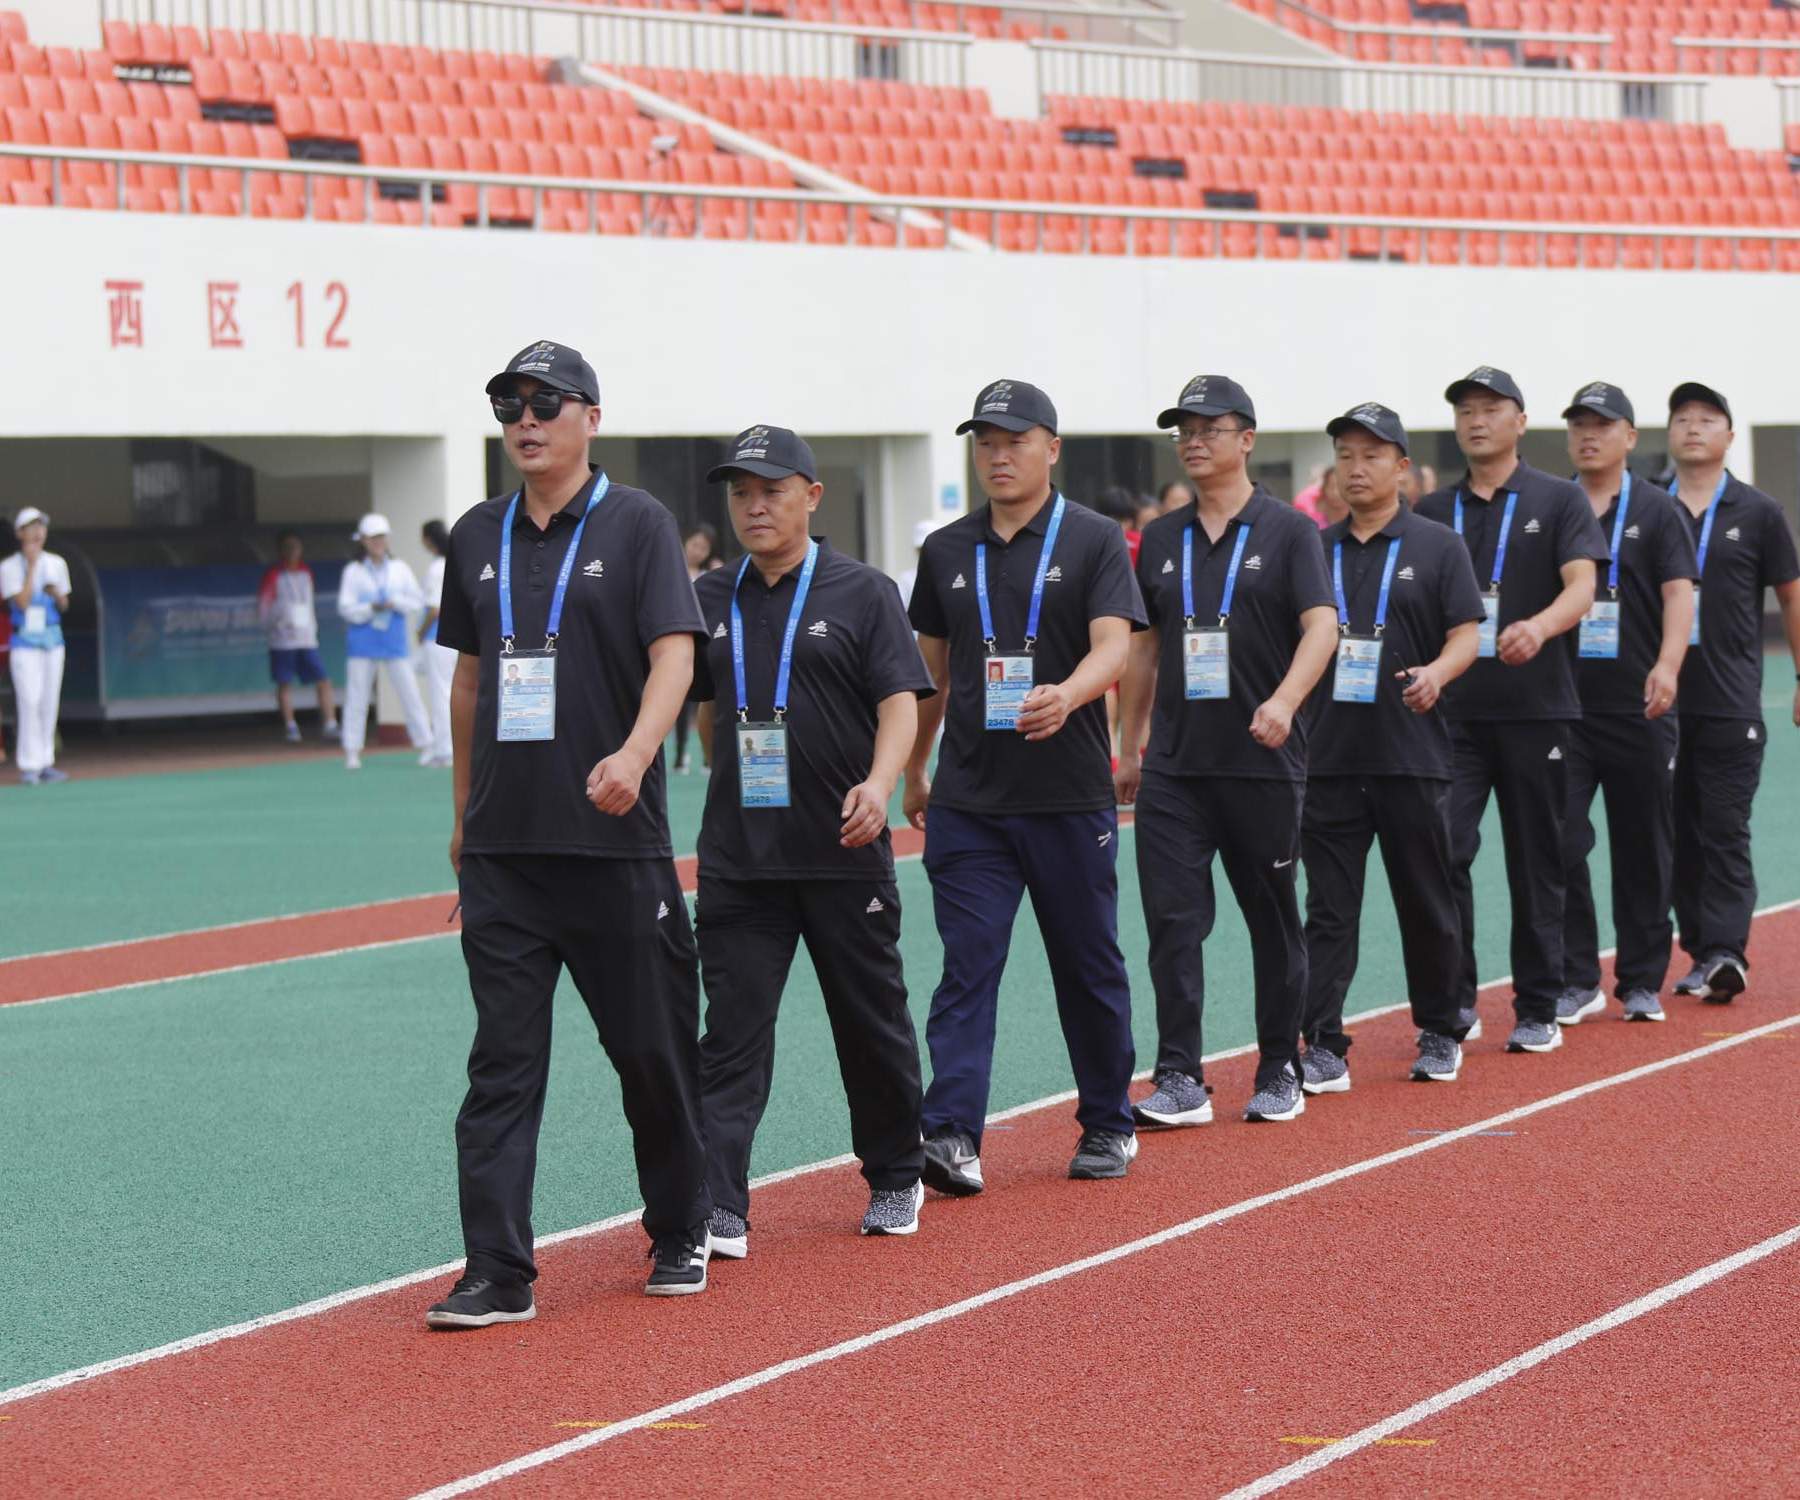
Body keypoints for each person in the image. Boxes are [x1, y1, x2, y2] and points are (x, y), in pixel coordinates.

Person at [423, 340, 713, 1330]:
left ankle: (680, 1223)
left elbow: (674, 656)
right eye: (509, 404)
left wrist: (635, 756)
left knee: (651, 1053)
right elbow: (467, 680)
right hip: (507, 853)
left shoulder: (637, 524)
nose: (525, 420)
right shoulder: (475, 534)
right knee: (501, 1065)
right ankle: (496, 1270)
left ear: (590, 414)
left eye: (545, 402)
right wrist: (463, 817)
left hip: (614, 848)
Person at [688, 425, 934, 1256]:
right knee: (730, 1037)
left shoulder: (862, 591)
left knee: (870, 1026)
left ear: (811, 496)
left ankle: (897, 1173)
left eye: (772, 490)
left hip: (842, 850)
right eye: (741, 493)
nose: (754, 506)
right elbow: (678, 696)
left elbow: (902, 698)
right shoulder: (707, 596)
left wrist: (882, 780)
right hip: (739, 861)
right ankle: (720, 1200)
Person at [905, 378, 1146, 1189]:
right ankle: (950, 1135)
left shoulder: (1092, 539)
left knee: (1087, 965)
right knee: (966, 967)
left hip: (1071, 796)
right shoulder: (945, 549)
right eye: (986, 442)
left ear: (1052, 447)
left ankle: (1109, 1121)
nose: (999, 455)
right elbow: (930, 676)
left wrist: (1069, 695)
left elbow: (1114, 646)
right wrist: (914, 765)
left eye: (1015, 439)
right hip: (970, 802)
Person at [1115, 375, 1337, 1124]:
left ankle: (1280, 1063)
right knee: (1173, 920)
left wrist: (1284, 700)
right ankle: (1179, 1074)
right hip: (1177, 767)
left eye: (1209, 428)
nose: (1194, 441)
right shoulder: (1166, 537)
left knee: (1272, 917)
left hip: (1263, 760)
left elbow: (1322, 627)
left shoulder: (1289, 531)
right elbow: (1144, 649)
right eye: (1184, 430)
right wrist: (1129, 743)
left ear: (1247, 439)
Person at [1416, 367, 1609, 1054]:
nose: (1475, 420)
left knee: (1539, 861)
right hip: (1453, 717)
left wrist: (1541, 627)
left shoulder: (1558, 500)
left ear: (1520, 422)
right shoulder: (1435, 511)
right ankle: (1456, 1002)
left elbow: (1583, 584)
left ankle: (1538, 1004)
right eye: (1465, 409)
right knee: (1446, 853)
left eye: (1490, 409)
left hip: (1536, 711)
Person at [1297, 405, 1484, 1089]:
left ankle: (1440, 1028)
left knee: (1427, 900)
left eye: (1371, 455)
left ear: (1402, 467)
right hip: (1329, 758)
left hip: (1414, 756)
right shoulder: (1315, 548)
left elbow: (1466, 633)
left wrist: (1438, 671)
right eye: (1344, 455)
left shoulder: (1438, 546)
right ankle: (1322, 1041)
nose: (1356, 468)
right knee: (1328, 909)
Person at [1557, 383, 1696, 1026]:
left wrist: (1667, 666)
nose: (1589, 435)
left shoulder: (1659, 509)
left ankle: (1640, 979)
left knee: (1643, 843)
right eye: (1580, 425)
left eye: (1603, 425)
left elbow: (1678, 595)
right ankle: (1576, 975)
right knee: (1560, 840)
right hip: (1562, 709)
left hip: (1639, 704)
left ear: (1630, 437)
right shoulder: (1552, 506)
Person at [1664, 381, 1800, 1005]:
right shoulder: (1645, 508)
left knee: (1723, 829)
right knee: (1672, 834)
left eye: (1707, 418)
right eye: (1682, 418)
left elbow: (1791, 597)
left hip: (1730, 700)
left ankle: (1724, 950)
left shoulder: (1758, 511)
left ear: (1727, 435)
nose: (1693, 427)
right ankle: (1698, 948)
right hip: (1654, 704)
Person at [337, 514, 430, 772]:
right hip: (362, 641)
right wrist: (370, 607)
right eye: (373, 538)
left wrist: (395, 603)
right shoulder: (353, 571)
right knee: (357, 696)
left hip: (394, 639)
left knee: (409, 692)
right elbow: (346, 607)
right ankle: (352, 750)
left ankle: (425, 744)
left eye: (382, 537)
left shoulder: (400, 569)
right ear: (364, 541)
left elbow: (416, 601)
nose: (378, 542)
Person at [2, 507, 72, 785]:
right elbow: (19, 602)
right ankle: (29, 764)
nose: (37, 532)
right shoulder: (9, 567)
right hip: (25, 642)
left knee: (48, 701)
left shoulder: (57, 563)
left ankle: (45, 762)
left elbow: (65, 604)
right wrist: (31, 566)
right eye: (30, 527)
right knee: (29, 700)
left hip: (52, 639)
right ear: (20, 534)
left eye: (40, 526)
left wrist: (56, 593)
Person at [259, 532, 340, 745]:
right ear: (280, 550)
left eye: (296, 546)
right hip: (283, 640)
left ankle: (330, 723)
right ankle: (291, 726)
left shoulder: (306, 572)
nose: (292, 550)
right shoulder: (274, 575)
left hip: (306, 639)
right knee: (284, 682)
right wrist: (275, 624)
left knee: (323, 680)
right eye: (288, 546)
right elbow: (264, 608)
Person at [672, 523, 719, 773]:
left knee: (708, 702)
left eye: (704, 548)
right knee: (681, 705)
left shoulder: (711, 578)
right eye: (695, 544)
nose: (697, 551)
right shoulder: (671, 572)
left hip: (704, 645)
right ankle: (679, 756)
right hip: (678, 645)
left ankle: (706, 758)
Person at [418, 519, 456, 768]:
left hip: (436, 638)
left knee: (441, 693)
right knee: (452, 691)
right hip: (455, 639)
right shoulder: (455, 562)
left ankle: (444, 749)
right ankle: (446, 747)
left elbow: (434, 608)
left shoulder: (435, 569)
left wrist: (419, 632)